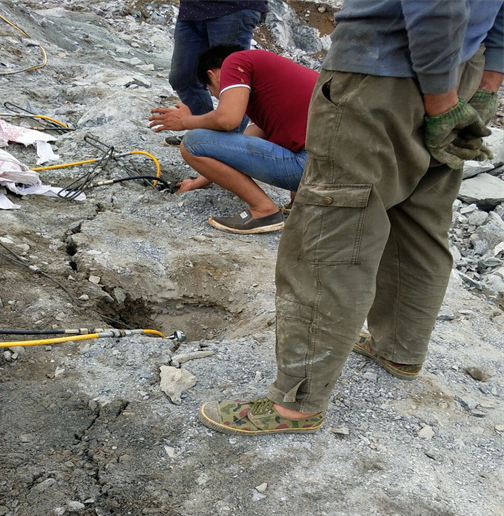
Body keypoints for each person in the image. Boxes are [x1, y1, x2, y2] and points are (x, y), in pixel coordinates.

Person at [197, 0, 504, 435]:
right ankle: (400, 349)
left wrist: (440, 101)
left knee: (330, 233)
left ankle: (295, 406)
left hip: (384, 75)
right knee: (419, 217)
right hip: (463, 70)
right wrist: (487, 83)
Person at [149, 45, 318, 234]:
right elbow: (239, 150)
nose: (215, 95)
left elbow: (227, 120)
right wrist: (197, 182)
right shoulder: (272, 85)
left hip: (310, 168)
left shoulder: (236, 61)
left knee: (193, 142)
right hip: (336, 174)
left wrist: (186, 121)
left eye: (209, 88)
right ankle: (301, 203)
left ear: (212, 75)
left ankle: (264, 211)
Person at [164, 0, 268, 146]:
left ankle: (227, 144)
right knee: (183, 77)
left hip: (233, 8)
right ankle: (203, 134)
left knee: (234, 82)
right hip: (192, 9)